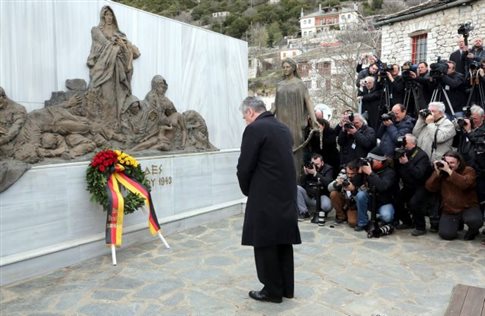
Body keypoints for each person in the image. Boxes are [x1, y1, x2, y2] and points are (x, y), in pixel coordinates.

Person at [237, 96, 301, 304]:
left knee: (264, 243)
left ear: (250, 112)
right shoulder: (282, 128)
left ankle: (272, 291)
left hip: (264, 195)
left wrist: (248, 190)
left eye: (244, 116)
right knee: (282, 242)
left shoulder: (255, 129)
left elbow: (244, 166)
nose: (245, 121)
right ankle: (285, 288)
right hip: (285, 194)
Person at [86, 6, 140, 125]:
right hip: (104, 66)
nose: (109, 17)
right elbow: (101, 45)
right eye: (107, 15)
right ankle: (105, 124)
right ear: (103, 16)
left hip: (117, 66)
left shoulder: (119, 33)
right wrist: (113, 45)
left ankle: (117, 123)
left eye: (111, 15)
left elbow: (132, 50)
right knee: (106, 96)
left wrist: (122, 45)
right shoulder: (96, 30)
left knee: (118, 96)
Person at [271, 58, 318, 178]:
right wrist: (265, 118)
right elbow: (275, 105)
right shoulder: (279, 85)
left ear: (293, 68)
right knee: (281, 149)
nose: (285, 69)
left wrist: (314, 119)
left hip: (295, 122)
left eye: (287, 67)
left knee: (296, 151)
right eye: (284, 67)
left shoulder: (299, 84)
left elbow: (308, 101)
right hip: (281, 121)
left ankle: (296, 181)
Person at [425, 150, 482, 240]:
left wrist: (449, 170)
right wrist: (437, 173)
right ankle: (456, 224)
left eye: (452, 163)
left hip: (468, 207)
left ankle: (473, 231)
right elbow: (430, 187)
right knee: (446, 235)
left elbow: (464, 184)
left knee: (475, 221)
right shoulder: (442, 173)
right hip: (450, 209)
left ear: (459, 163)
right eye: (447, 162)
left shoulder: (468, 170)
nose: (449, 165)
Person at [394, 134, 432, 235]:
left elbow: (419, 174)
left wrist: (407, 163)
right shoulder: (402, 152)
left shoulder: (421, 155)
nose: (403, 144)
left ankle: (420, 227)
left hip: (421, 185)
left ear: (413, 143)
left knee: (414, 203)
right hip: (408, 185)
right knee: (398, 200)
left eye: (405, 142)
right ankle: (407, 222)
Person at [353, 148, 397, 232]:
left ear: (379, 161)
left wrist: (370, 173)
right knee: (360, 195)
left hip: (384, 202)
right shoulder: (368, 169)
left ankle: (379, 219)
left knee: (387, 216)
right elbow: (356, 184)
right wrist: (360, 172)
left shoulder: (389, 172)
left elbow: (382, 186)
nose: (369, 162)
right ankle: (362, 222)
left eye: (371, 160)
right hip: (371, 199)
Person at [145, 75, 187, 149]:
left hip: (165, 129)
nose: (163, 88)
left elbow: (172, 111)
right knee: (152, 142)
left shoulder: (165, 99)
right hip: (153, 126)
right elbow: (152, 114)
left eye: (164, 86)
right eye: (161, 85)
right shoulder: (151, 96)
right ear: (155, 85)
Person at [296, 153, 333, 223]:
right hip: (310, 195)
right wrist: (305, 174)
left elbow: (328, 183)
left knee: (327, 206)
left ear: (322, 162)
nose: (315, 166)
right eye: (314, 164)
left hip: (321, 196)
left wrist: (315, 174)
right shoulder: (309, 168)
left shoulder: (328, 169)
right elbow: (302, 184)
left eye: (317, 164)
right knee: (297, 188)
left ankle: (321, 212)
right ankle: (304, 212)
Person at [328, 160, 359, 226]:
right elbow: (329, 187)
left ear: (357, 172)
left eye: (352, 174)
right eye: (348, 173)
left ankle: (348, 213)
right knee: (333, 194)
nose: (349, 176)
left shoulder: (360, 177)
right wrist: (336, 184)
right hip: (344, 198)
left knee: (353, 222)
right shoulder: (343, 174)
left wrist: (354, 189)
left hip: (353, 204)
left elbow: (363, 195)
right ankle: (341, 216)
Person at [0, 87, 27, 158]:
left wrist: (2, 140)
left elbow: (15, 128)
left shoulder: (18, 109)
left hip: (11, 142)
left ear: (3, 97)